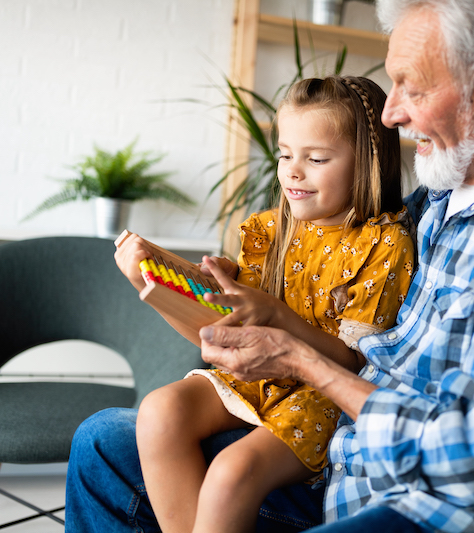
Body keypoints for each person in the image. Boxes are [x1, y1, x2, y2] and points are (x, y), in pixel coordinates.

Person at [65, 1, 474, 532]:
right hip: (344, 463)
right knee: (102, 445)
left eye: (410, 88)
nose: (389, 114)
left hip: (430, 507)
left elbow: (471, 454)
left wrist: (301, 358)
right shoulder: (442, 201)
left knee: (218, 476)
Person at [109, 75, 414, 533]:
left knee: (232, 474)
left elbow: (355, 364)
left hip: (321, 396)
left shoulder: (384, 244)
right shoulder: (268, 231)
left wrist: (279, 318)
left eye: (316, 158)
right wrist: (150, 286)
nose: (293, 171)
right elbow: (217, 339)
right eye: (285, 155)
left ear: (367, 163)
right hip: (254, 377)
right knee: (159, 411)